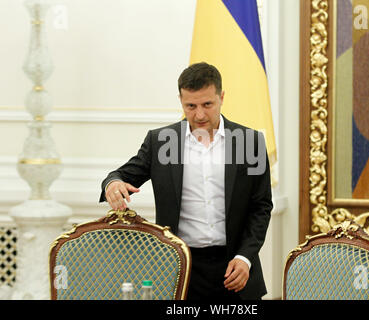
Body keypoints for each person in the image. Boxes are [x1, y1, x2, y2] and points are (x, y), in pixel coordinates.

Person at [99, 62, 273, 300]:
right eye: (190, 106)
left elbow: (261, 207)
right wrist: (113, 184)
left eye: (207, 105)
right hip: (180, 267)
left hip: (236, 267)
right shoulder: (161, 141)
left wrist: (245, 257)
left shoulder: (249, 141)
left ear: (221, 97)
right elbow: (120, 175)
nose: (199, 115)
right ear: (180, 100)